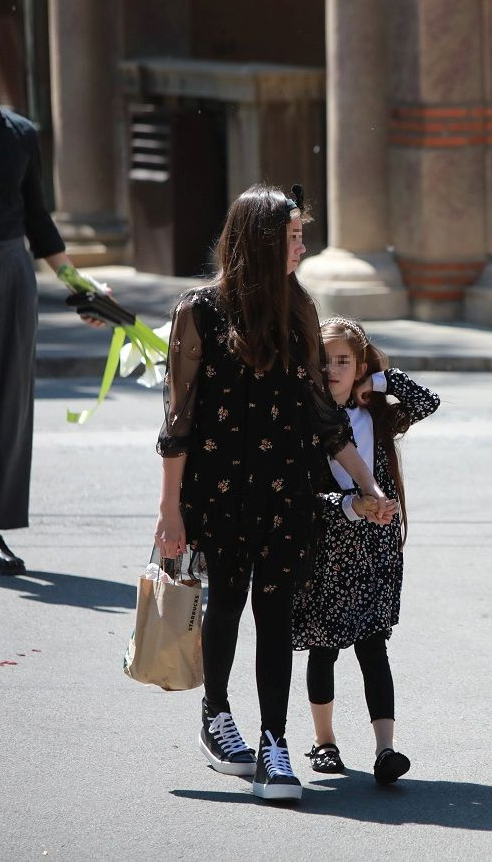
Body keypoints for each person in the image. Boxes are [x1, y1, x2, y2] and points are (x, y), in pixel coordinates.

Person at [155, 184, 396, 803]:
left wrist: (367, 483)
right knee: (227, 602)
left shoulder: (301, 309)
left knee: (276, 613)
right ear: (261, 240)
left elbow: (323, 414)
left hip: (287, 489)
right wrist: (169, 510)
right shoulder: (199, 310)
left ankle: (273, 743)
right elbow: (178, 421)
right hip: (219, 490)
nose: (301, 247)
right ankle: (215, 714)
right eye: (292, 236)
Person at [292, 318, 440, 784]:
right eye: (325, 360)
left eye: (344, 361)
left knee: (374, 647)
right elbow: (298, 499)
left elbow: (426, 401)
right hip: (326, 548)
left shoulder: (375, 415)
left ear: (358, 366)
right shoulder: (304, 418)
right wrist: (351, 506)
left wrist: (377, 381)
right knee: (324, 649)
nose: (333, 369)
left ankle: (385, 749)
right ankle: (324, 741)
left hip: (376, 548)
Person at [0, 56, 97, 575]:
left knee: (9, 399)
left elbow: (38, 218)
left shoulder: (20, 134)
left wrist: (81, 287)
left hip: (11, 268)